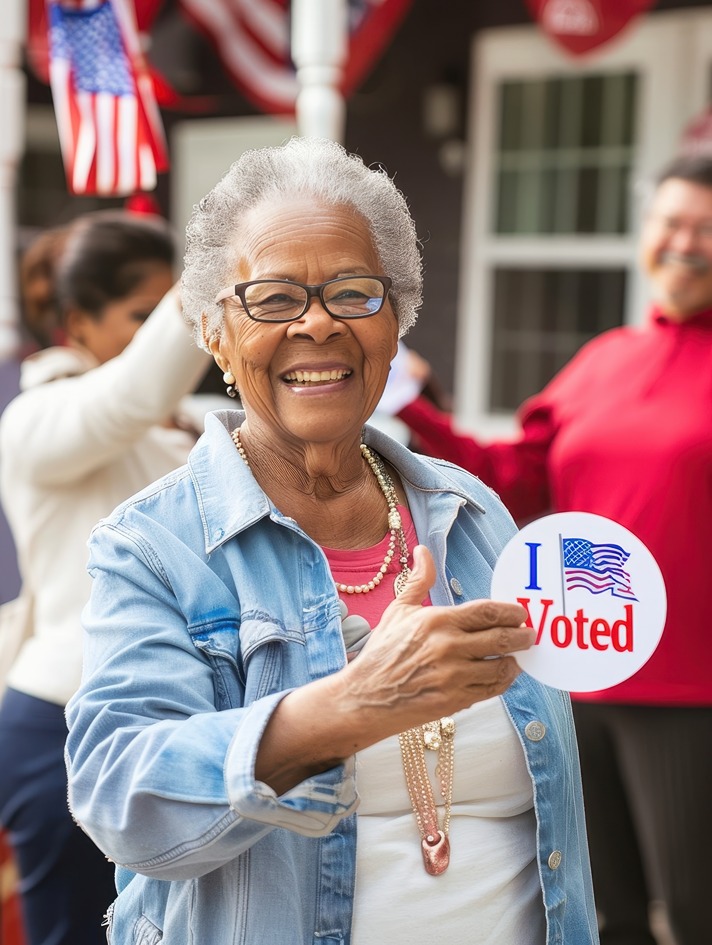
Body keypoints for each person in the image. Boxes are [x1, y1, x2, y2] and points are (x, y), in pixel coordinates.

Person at [64, 137, 598, 945]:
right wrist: (349, 706)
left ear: (394, 321)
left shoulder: (471, 511)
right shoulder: (154, 547)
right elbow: (120, 796)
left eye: (354, 291)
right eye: (273, 298)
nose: (317, 322)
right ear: (214, 333)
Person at [382, 152, 712, 945]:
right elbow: (513, 481)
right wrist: (413, 405)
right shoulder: (606, 358)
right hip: (572, 669)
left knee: (697, 911)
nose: (683, 242)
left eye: (707, 228)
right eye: (670, 221)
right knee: (599, 909)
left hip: (688, 690)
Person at [0, 210, 211, 945]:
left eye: (166, 312)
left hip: (172, 722)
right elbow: (130, 395)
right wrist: (223, 254)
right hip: (61, 722)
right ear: (77, 323)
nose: (163, 332)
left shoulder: (183, 425)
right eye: (140, 314)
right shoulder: (34, 419)